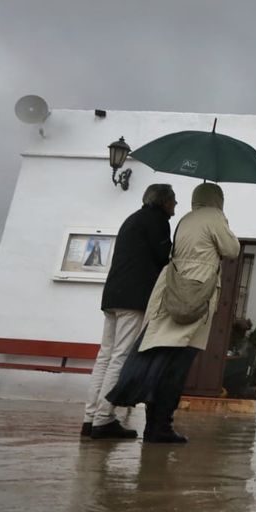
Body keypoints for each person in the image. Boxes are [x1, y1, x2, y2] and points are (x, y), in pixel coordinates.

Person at [107, 182, 240, 443]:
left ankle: (153, 426)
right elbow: (231, 250)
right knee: (177, 367)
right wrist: (223, 223)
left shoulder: (186, 219)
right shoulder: (214, 217)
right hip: (195, 296)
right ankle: (161, 427)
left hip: (171, 293)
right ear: (218, 199)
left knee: (161, 362)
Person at [82, 183, 176, 439]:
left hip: (113, 294)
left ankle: (89, 418)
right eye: (174, 202)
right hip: (134, 298)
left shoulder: (132, 219)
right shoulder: (157, 220)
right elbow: (162, 257)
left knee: (105, 356)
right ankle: (104, 419)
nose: (175, 207)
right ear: (164, 202)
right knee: (120, 357)